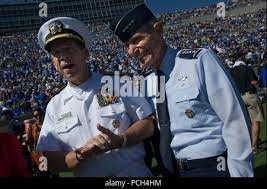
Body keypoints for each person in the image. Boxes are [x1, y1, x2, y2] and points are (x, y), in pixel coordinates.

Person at [110, 4, 253, 177]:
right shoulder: (147, 83)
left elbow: (235, 119)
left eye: (136, 40)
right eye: (127, 45)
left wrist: (241, 173)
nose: (132, 51)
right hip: (175, 170)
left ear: (159, 30)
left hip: (213, 166)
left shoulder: (198, 61)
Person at [36, 17, 154, 176]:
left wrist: (121, 140)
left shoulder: (118, 84)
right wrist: (80, 155)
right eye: (57, 53)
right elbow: (47, 160)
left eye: (69, 49)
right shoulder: (54, 106)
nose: (63, 56)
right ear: (53, 63)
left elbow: (147, 124)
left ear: (85, 53)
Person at [230, 58, 265, 153]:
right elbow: (254, 82)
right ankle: (254, 147)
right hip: (250, 95)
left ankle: (249, 143)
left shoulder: (230, 71)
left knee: (246, 122)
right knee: (255, 121)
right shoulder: (246, 68)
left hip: (238, 98)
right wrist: (260, 83)